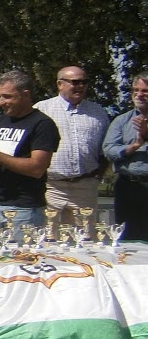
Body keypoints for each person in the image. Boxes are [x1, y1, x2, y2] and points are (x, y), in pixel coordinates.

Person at [0, 69, 60, 236]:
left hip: (24, 210)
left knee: (22, 260)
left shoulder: (42, 124)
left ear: (26, 95)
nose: (1, 102)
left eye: (7, 96)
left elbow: (37, 168)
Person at [34, 66, 110, 235]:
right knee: (47, 240)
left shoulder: (98, 112)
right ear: (60, 84)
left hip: (85, 187)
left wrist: (97, 177)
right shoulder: (41, 110)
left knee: (84, 242)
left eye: (85, 82)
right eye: (75, 82)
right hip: (50, 188)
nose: (80, 86)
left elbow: (105, 149)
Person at [101, 71, 148, 241]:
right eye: (136, 90)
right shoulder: (122, 121)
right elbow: (109, 150)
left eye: (145, 91)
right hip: (128, 186)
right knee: (128, 238)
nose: (139, 95)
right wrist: (135, 146)